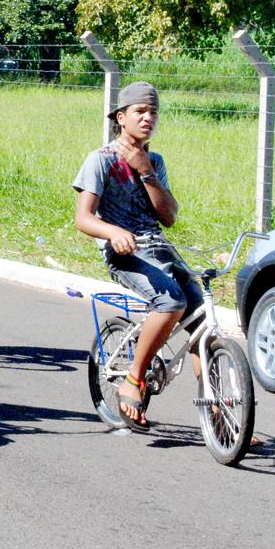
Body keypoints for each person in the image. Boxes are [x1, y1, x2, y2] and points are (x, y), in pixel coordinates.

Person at [73, 81, 201, 432]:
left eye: (153, 113)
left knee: (201, 317)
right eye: (140, 112)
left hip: (158, 247)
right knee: (170, 302)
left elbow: (169, 216)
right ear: (121, 117)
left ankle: (219, 414)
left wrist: (145, 172)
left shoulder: (154, 162)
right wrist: (114, 233)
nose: (148, 119)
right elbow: (83, 218)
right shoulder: (101, 159)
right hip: (125, 252)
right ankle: (133, 378)